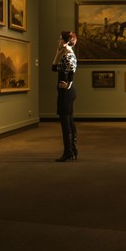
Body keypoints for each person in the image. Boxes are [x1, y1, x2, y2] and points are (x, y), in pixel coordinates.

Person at [52, 31, 78, 162]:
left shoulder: (69, 56)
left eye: (61, 39)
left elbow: (72, 72)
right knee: (69, 122)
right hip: (67, 92)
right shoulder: (66, 55)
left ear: (67, 41)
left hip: (66, 93)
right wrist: (57, 53)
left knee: (65, 123)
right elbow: (53, 68)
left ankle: (68, 152)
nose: (59, 41)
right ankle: (72, 150)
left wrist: (67, 85)